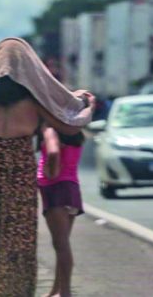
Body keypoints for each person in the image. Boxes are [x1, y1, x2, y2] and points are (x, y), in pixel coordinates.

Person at [0, 38, 94, 297]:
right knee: (18, 235)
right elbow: (70, 125)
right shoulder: (34, 100)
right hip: (20, 167)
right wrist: (89, 109)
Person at [37, 127, 85, 297]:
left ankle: (65, 292)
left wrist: (51, 171)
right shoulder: (76, 133)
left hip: (55, 188)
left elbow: (53, 152)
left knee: (61, 244)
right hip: (71, 188)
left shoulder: (51, 131)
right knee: (62, 244)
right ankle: (56, 289)